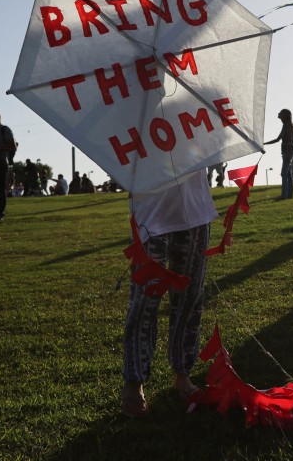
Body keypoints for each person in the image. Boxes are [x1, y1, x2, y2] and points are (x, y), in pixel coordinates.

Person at [121, 169, 217, 417]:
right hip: (150, 212)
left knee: (189, 296)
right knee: (144, 298)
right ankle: (135, 381)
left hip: (194, 210)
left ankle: (182, 374)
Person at [264, 109, 293, 200]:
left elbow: (278, 139)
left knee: (284, 173)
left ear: (285, 115)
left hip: (287, 150)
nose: (279, 114)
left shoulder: (286, 125)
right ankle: (290, 194)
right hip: (289, 150)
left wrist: (265, 143)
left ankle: (284, 195)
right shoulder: (290, 125)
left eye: (281, 113)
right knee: (288, 173)